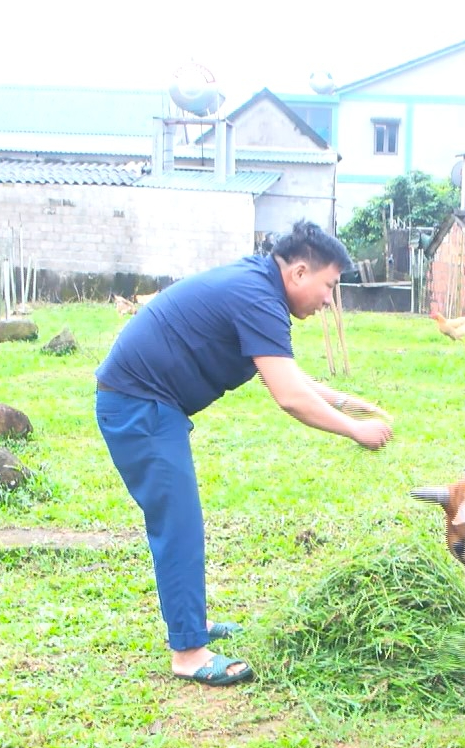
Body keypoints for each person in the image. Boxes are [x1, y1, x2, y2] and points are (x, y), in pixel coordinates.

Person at [94, 219, 392, 687]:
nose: (330, 299)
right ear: (298, 273)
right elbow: (289, 396)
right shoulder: (259, 297)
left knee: (182, 521)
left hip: (147, 402)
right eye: (330, 286)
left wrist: (340, 400)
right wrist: (357, 432)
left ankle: (194, 623)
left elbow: (286, 374)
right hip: (139, 405)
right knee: (179, 524)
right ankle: (189, 653)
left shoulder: (258, 285)